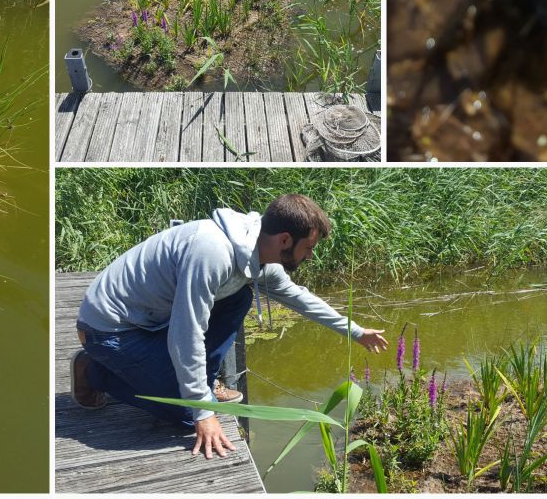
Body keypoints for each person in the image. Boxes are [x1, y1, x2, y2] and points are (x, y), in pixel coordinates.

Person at [71, 193, 388, 459]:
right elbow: (187, 333)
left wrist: (357, 332)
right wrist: (203, 411)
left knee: (238, 297)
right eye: (308, 247)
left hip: (150, 320)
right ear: (285, 239)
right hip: (109, 329)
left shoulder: (259, 258)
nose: (310, 256)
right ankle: (94, 372)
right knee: (186, 412)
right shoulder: (212, 252)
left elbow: (299, 298)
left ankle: (205, 382)